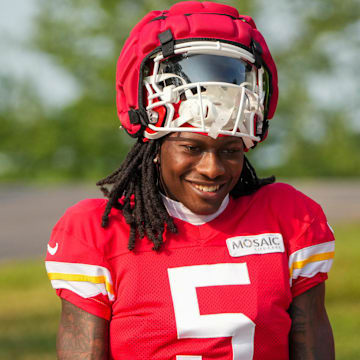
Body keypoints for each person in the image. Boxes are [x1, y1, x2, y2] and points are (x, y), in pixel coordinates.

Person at [45, 2, 335, 359]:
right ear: (154, 145)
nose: (213, 168)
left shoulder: (288, 218)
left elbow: (312, 340)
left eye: (230, 150)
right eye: (191, 147)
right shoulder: (98, 232)